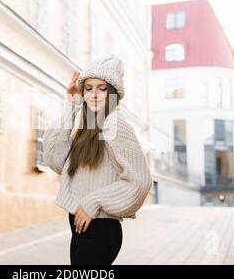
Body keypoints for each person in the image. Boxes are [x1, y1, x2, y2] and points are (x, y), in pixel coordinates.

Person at [43, 54, 153, 265]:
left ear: (113, 93)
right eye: (88, 88)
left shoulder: (114, 123)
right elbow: (55, 159)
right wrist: (72, 105)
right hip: (81, 226)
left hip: (100, 229)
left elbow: (140, 180)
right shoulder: (89, 126)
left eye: (102, 89)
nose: (94, 94)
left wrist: (93, 202)